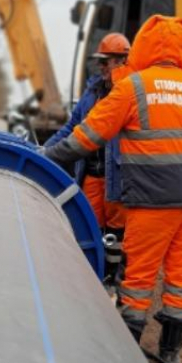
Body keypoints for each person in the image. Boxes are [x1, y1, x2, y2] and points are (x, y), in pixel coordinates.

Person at [45, 15, 182, 363]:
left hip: (155, 198)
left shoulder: (134, 86)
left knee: (138, 277)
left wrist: (47, 157)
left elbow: (87, 136)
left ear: (143, 47)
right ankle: (171, 355)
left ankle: (126, 361)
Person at [44, 33, 129, 283]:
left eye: (107, 61)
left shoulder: (128, 92)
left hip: (119, 175)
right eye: (100, 62)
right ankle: (91, 275)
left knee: (117, 232)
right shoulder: (92, 90)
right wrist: (45, 152)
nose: (102, 67)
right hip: (91, 172)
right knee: (89, 224)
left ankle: (114, 278)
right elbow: (72, 126)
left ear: (123, 61)